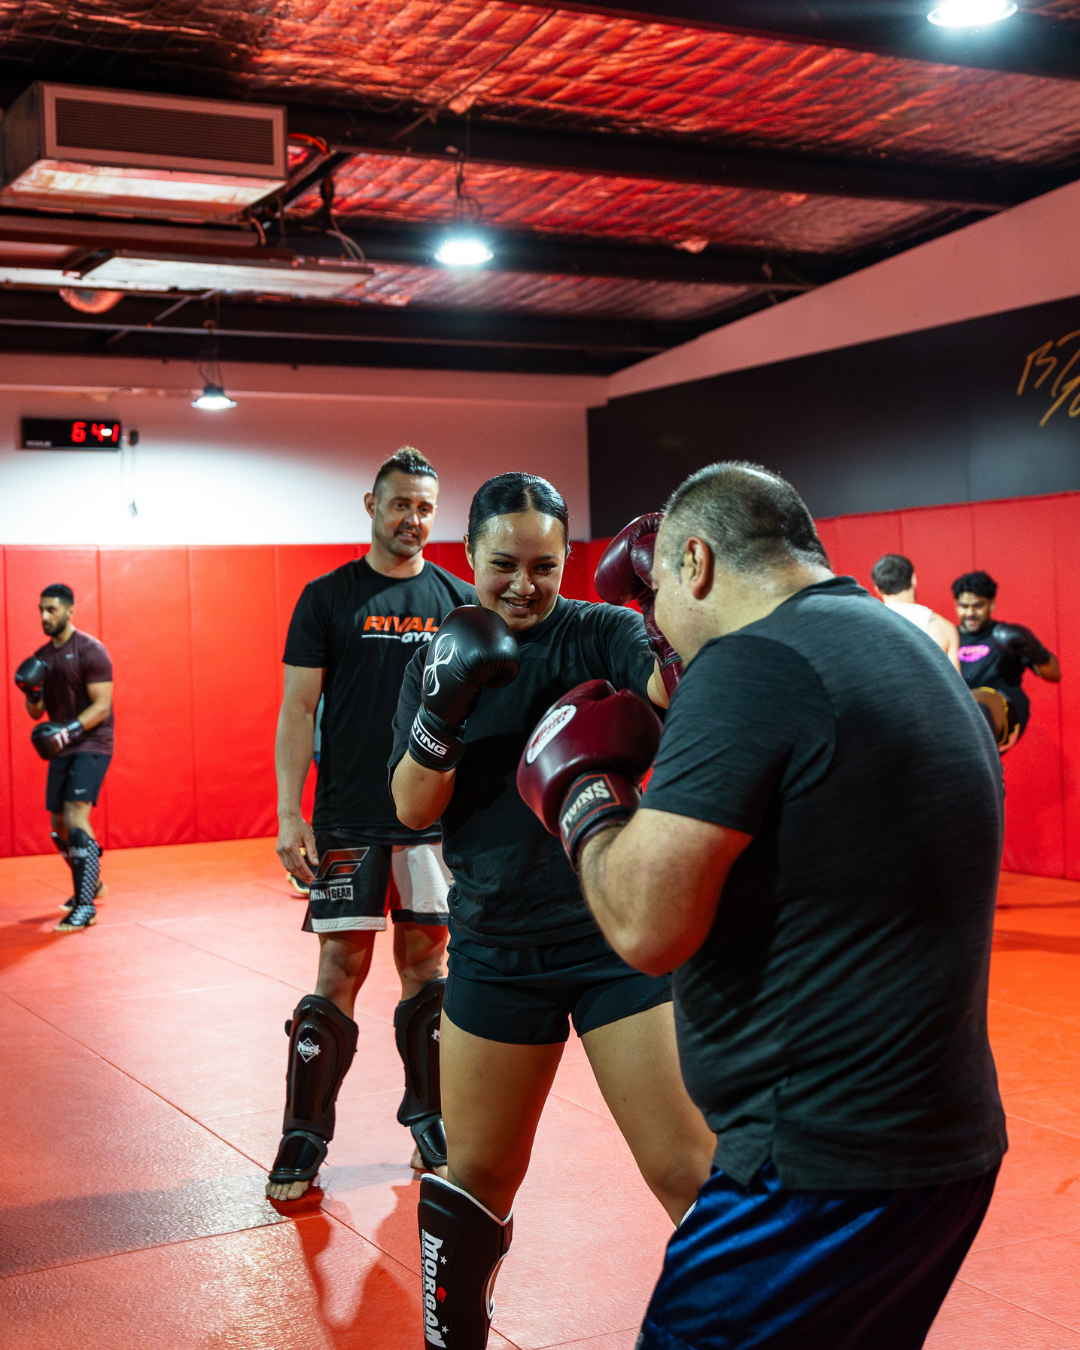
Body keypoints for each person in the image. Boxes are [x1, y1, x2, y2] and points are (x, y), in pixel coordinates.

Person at [519, 463, 1007, 1350]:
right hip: (945, 1152)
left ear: (696, 562)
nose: (656, 623)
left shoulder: (752, 665)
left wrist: (582, 793)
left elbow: (645, 924)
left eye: (657, 590)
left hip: (813, 1167)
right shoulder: (909, 653)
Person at [389, 473, 716, 1350]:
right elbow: (414, 808)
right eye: (504, 565)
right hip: (496, 948)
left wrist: (667, 614)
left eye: (544, 564)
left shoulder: (603, 630)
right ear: (469, 558)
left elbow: (678, 696)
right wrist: (443, 706)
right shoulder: (438, 650)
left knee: (690, 1170)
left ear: (569, 559)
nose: (524, 584)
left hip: (617, 938)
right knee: (478, 1177)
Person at [268, 447, 475, 1203]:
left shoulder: (457, 598)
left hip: (428, 821)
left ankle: (431, 1117)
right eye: (399, 505)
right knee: (338, 974)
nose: (413, 519)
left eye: (425, 507)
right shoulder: (327, 598)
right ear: (370, 505)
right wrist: (291, 811)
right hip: (350, 817)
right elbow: (297, 709)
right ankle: (304, 1132)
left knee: (428, 971)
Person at [15, 583, 113, 934]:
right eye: (41, 609)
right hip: (62, 746)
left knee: (75, 816)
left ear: (70, 610)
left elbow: (103, 706)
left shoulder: (90, 651)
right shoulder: (42, 657)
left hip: (92, 742)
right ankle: (92, 883)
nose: (45, 616)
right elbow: (35, 712)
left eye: (52, 609)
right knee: (58, 824)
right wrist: (33, 691)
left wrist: (69, 730)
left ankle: (85, 906)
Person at [952, 570, 1061, 752]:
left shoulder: (1009, 637)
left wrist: (1034, 650)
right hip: (961, 717)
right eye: (964, 606)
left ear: (991, 604)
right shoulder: (948, 636)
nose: (970, 613)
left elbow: (1054, 674)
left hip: (1003, 711)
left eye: (978, 606)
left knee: (973, 707)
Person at [870, 553, 960, 671]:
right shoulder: (943, 628)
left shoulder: (868, 626)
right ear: (913, 579)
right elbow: (956, 685)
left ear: (877, 589)